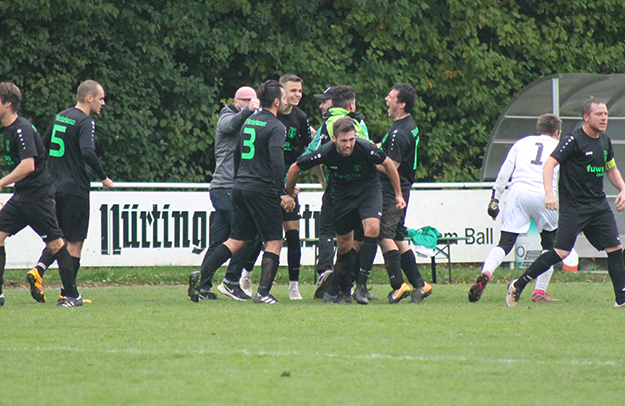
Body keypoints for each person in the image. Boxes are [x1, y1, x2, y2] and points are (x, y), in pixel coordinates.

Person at [506, 99, 625, 308]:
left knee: (614, 248)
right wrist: (549, 193)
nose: (604, 118)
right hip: (575, 208)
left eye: (605, 114)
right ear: (585, 117)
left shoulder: (604, 141)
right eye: (599, 114)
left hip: (597, 207)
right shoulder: (573, 140)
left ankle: (621, 300)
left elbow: (611, 169)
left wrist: (623, 189)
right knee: (560, 252)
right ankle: (519, 284)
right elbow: (549, 164)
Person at [189, 80, 295, 304]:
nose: (286, 102)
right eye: (284, 98)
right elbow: (277, 162)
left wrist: (239, 179)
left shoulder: (250, 121)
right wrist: (283, 192)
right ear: (276, 101)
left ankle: (202, 275)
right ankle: (263, 293)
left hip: (239, 187)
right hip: (262, 190)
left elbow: (237, 154)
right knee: (274, 242)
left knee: (236, 239)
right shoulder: (277, 126)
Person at [286, 118, 406, 304]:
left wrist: (398, 194)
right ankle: (343, 290)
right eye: (344, 141)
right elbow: (295, 168)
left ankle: (362, 286)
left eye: (351, 139)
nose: (349, 144)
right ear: (334, 139)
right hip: (342, 197)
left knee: (372, 228)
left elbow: (389, 164)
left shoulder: (365, 147)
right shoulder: (326, 151)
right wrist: (288, 194)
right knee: (343, 245)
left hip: (368, 191)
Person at [26, 80, 113, 304]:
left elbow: (42, 147)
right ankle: (68, 294)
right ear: (89, 98)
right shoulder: (86, 122)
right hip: (75, 189)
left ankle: (39, 269)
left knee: (59, 237)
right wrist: (103, 177)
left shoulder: (60, 116)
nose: (104, 103)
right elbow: (87, 152)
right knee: (75, 242)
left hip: (54, 188)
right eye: (101, 98)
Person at [0, 82, 81, 307]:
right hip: (22, 197)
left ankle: (72, 295)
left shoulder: (22, 129)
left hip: (38, 197)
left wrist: (2, 182)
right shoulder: (9, 129)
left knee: (56, 245)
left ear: (7, 104)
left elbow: (28, 166)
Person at [469, 114, 562, 303]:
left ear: (539, 129)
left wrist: (495, 199)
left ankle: (486, 272)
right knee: (550, 244)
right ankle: (539, 291)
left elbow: (505, 172)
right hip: (545, 194)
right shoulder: (559, 147)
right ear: (557, 132)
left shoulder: (522, 143)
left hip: (517, 193)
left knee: (505, 243)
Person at [188, 86, 262, 302]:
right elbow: (231, 124)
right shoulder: (227, 116)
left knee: (219, 240)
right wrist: (248, 110)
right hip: (225, 187)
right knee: (247, 234)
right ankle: (231, 281)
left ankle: (202, 285)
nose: (250, 102)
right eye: (245, 99)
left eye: (253, 99)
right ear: (235, 101)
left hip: (235, 188)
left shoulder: (251, 119)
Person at [302, 86, 371, 299]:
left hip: (340, 187)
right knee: (357, 236)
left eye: (324, 101)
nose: (321, 105)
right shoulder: (357, 123)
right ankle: (352, 284)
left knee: (330, 231)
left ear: (334, 103)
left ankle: (329, 274)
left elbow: (311, 154)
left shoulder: (331, 125)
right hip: (361, 188)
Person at [377, 83, 432, 304]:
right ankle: (421, 284)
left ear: (401, 104)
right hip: (404, 187)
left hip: (393, 190)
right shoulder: (409, 126)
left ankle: (399, 286)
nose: (386, 100)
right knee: (398, 236)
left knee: (384, 236)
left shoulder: (399, 133)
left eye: (390, 97)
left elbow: (392, 166)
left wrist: (369, 159)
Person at [276, 74, 312, 300]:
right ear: (282, 93)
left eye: (299, 91)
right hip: (269, 184)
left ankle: (293, 286)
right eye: (293, 91)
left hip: (289, 186)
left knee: (293, 235)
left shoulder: (300, 118)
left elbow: (309, 152)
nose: (297, 94)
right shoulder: (271, 115)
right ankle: (244, 277)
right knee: (262, 236)